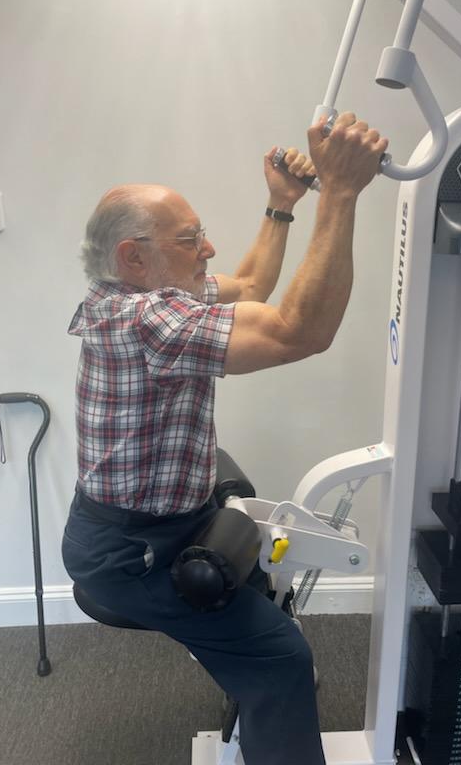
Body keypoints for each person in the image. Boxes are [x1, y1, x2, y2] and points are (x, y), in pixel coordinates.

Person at [62, 112, 388, 765]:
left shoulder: (142, 291)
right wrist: (343, 192)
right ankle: (265, 693)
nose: (208, 250)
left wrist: (282, 205)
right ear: (135, 256)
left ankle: (255, 703)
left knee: (263, 578)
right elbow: (300, 331)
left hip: (171, 520)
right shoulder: (147, 316)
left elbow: (253, 286)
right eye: (191, 240)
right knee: (281, 655)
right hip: (131, 553)